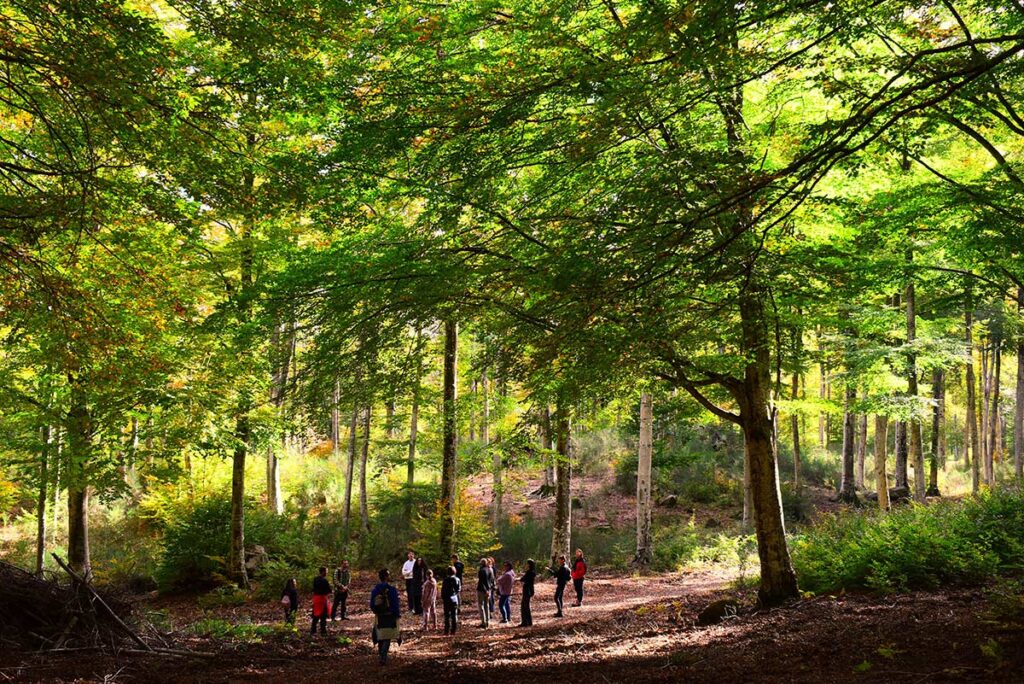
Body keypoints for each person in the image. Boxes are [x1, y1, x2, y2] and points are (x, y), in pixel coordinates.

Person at [369, 568, 402, 665]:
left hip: (380, 616)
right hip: (390, 616)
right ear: (387, 577)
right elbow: (395, 604)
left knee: (380, 635)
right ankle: (383, 657)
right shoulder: (392, 590)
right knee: (387, 636)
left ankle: (381, 655)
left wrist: (376, 611)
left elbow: (372, 605)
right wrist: (396, 615)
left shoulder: (375, 590)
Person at [311, 566, 332, 635]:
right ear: (323, 572)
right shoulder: (324, 580)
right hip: (322, 599)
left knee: (315, 614)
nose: (327, 573)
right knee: (323, 615)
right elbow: (328, 590)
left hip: (316, 599)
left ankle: (313, 630)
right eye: (326, 571)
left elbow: (314, 588)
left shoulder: (315, 579)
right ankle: (323, 631)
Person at [441, 565, 461, 635]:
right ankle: (453, 630)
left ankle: (446, 631)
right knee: (454, 615)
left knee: (447, 615)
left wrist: (443, 597)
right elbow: (458, 589)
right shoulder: (457, 579)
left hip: (447, 599)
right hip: (454, 598)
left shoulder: (445, 580)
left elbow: (443, 590)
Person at [476, 557, 495, 628]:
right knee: (486, 606)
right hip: (488, 590)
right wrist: (489, 589)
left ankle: (483, 622)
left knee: (481, 606)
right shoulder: (490, 570)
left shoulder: (481, 571)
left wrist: (485, 590)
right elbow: (491, 581)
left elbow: (481, 582)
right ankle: (488, 621)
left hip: (481, 590)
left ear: (481, 563)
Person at [517, 559, 536, 627]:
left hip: (527, 590)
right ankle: (527, 621)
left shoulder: (530, 572)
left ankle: (526, 622)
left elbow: (524, 579)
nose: (526, 565)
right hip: (529, 590)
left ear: (529, 564)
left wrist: (520, 579)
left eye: (527, 563)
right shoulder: (532, 572)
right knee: (525, 606)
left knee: (525, 606)